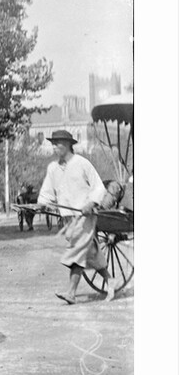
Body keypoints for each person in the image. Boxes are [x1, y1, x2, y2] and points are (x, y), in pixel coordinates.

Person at [37, 130, 118, 304]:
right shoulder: (53, 168)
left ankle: (71, 293)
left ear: (67, 145)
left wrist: (91, 203)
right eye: (53, 143)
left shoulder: (82, 163)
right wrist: (42, 203)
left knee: (77, 252)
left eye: (57, 143)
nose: (54, 147)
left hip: (84, 216)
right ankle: (110, 280)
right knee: (90, 253)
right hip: (68, 219)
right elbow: (46, 192)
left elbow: (98, 188)